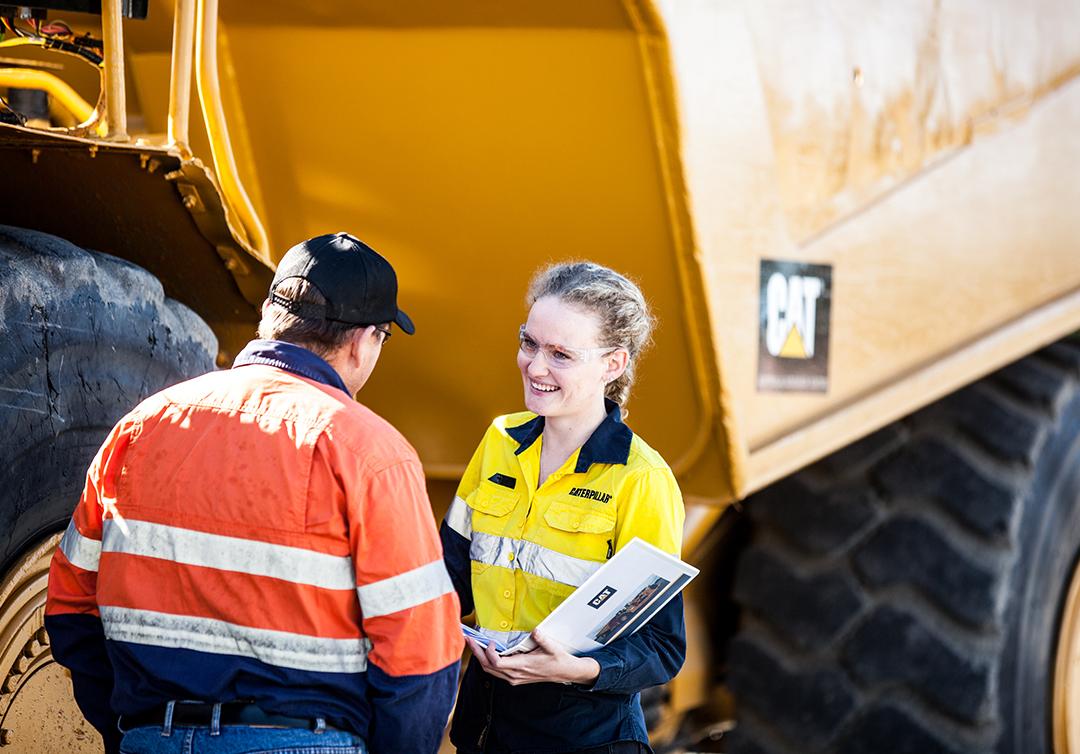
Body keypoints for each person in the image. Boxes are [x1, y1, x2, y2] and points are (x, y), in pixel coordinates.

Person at [45, 232, 463, 754]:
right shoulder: (368, 451)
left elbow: (69, 607)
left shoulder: (142, 425)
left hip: (152, 737)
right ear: (364, 340)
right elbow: (419, 653)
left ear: (269, 314)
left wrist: (130, 727)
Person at [440, 262, 686, 753]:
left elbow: (661, 647)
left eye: (561, 354)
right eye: (529, 343)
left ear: (613, 364)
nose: (534, 366)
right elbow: (447, 576)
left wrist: (574, 669)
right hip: (483, 729)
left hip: (584, 738)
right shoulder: (499, 442)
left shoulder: (641, 479)